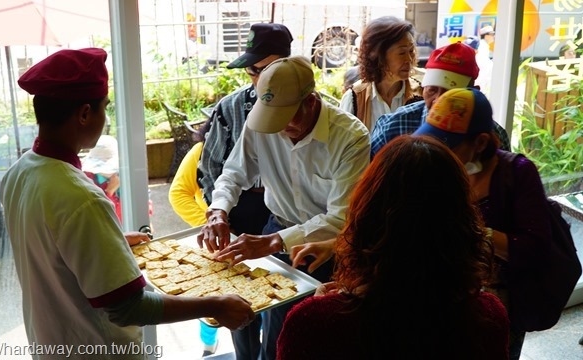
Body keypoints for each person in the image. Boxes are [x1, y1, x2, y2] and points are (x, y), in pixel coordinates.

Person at [0, 48, 255, 359]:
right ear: (84, 114)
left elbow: (49, 247)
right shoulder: (82, 198)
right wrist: (214, 304)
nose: (106, 118)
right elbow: (127, 307)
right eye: (104, 108)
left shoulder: (19, 172)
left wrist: (111, 241)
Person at [198, 55, 371, 360]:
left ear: (311, 101)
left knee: (300, 332)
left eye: (288, 117)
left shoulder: (350, 137)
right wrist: (218, 211)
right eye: (272, 119)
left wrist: (274, 242)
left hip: (326, 247)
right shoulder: (260, 123)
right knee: (255, 316)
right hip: (275, 225)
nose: (278, 129)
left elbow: (340, 217)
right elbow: (234, 173)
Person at [279, 135, 510, 359]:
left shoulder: (313, 324)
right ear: (465, 224)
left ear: (363, 218)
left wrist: (321, 309)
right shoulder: (488, 318)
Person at [413, 87, 552, 360]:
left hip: (499, 303)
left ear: (480, 143)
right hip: (439, 299)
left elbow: (536, 248)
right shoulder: (435, 167)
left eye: (448, 145)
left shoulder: (518, 173)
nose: (437, 151)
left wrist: (472, 231)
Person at [196, 22, 291, 359]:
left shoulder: (309, 106)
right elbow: (211, 170)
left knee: (280, 304)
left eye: (263, 70)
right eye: (250, 71)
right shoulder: (231, 107)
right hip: (241, 210)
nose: (255, 78)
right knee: (240, 308)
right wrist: (218, 214)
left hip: (285, 216)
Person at [370, 42, 511, 159]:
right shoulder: (392, 127)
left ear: (474, 92)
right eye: (432, 90)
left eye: (450, 94)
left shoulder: (493, 136)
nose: (438, 100)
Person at [168, 119, 220, 357]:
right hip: (215, 241)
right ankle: (209, 346)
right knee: (210, 297)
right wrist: (207, 224)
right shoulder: (200, 151)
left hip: (255, 237)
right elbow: (178, 193)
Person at [339, 16, 417, 131]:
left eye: (411, 51)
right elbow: (343, 145)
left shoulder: (421, 95)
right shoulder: (354, 99)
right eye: (402, 53)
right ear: (377, 55)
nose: (409, 59)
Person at [476, 25, 495, 96]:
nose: (494, 36)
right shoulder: (482, 46)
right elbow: (483, 64)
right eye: (492, 34)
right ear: (486, 36)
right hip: (481, 78)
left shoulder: (484, 45)